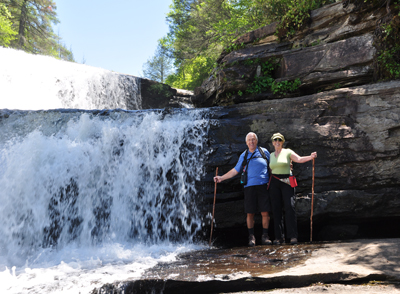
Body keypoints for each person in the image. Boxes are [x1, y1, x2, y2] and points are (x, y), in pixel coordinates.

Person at [214, 132, 271, 247]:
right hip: (249, 187)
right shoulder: (244, 155)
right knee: (250, 213)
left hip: (263, 186)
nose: (252, 142)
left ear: (256, 141)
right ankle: (251, 237)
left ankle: (265, 236)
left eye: (253, 139)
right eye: (249, 140)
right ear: (246, 142)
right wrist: (221, 178)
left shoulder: (264, 152)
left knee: (265, 212)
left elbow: (272, 167)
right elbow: (235, 170)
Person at [269, 132, 317, 245]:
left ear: (282, 142)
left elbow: (299, 159)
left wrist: (311, 157)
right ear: (272, 142)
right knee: (276, 209)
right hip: (274, 182)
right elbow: (270, 168)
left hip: (286, 181)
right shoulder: (271, 155)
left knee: (289, 207)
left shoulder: (287, 152)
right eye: (275, 140)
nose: (277, 142)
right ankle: (278, 237)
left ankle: (292, 236)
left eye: (279, 140)